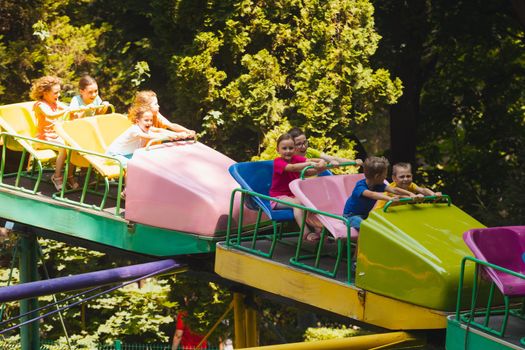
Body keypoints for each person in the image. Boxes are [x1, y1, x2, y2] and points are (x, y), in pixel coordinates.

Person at [269, 133, 327, 242]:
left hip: (295, 195)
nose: (288, 151)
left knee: (311, 202)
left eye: (291, 148)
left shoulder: (297, 158)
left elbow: (315, 160)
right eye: (284, 148)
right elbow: (292, 168)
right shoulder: (278, 162)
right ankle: (306, 233)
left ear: (294, 149)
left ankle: (319, 230)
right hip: (278, 198)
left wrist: (322, 162)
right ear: (278, 150)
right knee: (298, 204)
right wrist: (310, 163)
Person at [343, 156, 419, 230]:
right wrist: (390, 199)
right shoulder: (360, 187)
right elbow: (372, 195)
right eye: (384, 175)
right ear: (377, 176)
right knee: (366, 227)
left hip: (366, 215)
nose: (385, 177)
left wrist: (410, 194)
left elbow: (394, 190)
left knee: (382, 226)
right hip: (350, 216)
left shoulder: (378, 184)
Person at [30, 76, 79, 191]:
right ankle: (57, 177)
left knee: (73, 145)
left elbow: (70, 108)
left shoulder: (55, 103)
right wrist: (66, 111)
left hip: (55, 137)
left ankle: (70, 176)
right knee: (63, 147)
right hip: (42, 139)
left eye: (59, 92)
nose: (58, 95)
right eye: (55, 93)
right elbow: (50, 115)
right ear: (45, 92)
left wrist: (83, 108)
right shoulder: (40, 105)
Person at [375, 162, 442, 209]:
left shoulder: (410, 185)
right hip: (381, 212)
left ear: (412, 176)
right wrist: (415, 198)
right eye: (402, 177)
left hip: (396, 212)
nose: (406, 179)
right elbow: (401, 197)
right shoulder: (392, 189)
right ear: (394, 178)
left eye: (408, 176)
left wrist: (434, 194)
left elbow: (422, 190)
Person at [288, 127, 363, 167]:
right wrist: (329, 166)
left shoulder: (309, 151)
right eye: (299, 144)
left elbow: (332, 158)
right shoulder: (288, 159)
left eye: (305, 142)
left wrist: (354, 162)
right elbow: (307, 172)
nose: (304, 146)